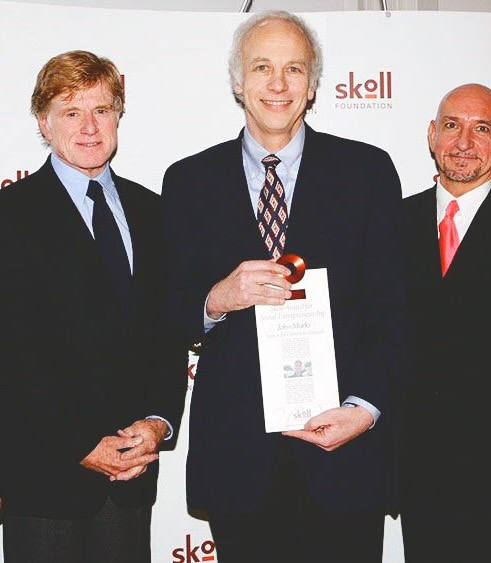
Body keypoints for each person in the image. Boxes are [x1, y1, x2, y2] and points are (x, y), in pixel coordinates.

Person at [162, 11, 406, 563]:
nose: (278, 84)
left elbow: (394, 309)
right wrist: (215, 299)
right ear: (237, 80)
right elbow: (166, 315)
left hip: (344, 456)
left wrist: (365, 409)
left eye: (294, 69)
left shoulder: (367, 172)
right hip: (238, 464)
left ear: (313, 85)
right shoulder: (188, 182)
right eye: (262, 67)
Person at [0, 50, 184, 563]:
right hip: (45, 480)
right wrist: (80, 442)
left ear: (119, 115)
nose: (88, 127)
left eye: (101, 109)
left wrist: (157, 424)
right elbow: (10, 359)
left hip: (131, 479)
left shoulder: (152, 211)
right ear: (43, 121)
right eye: (71, 111)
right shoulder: (9, 217)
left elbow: (166, 335)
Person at [400, 83, 491, 562]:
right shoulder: (389, 225)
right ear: (431, 136)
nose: (463, 142)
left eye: (481, 128)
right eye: (451, 125)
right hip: (413, 479)